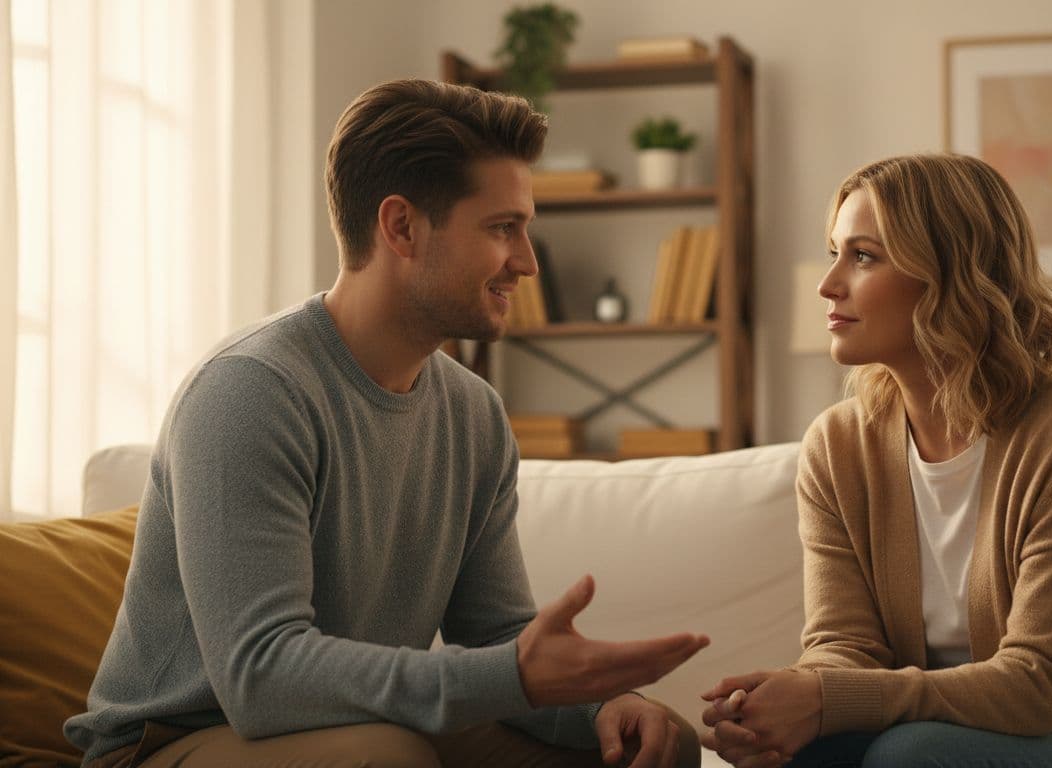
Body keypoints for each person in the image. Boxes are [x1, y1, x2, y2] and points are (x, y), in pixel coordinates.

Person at [65, 79, 708, 768]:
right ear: (401, 226)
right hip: (173, 739)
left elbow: (493, 631)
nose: (525, 261)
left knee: (651, 746)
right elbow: (260, 677)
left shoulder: (473, 413)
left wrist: (600, 704)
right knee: (386, 758)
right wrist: (513, 678)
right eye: (502, 228)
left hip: (351, 722)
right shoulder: (250, 392)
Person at [699, 154, 1052, 768]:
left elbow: (1041, 685)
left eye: (864, 256)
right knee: (802, 755)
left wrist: (826, 697)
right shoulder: (837, 446)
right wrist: (783, 707)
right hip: (928, 737)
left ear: (950, 273)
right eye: (834, 252)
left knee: (912, 756)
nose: (829, 284)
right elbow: (843, 646)